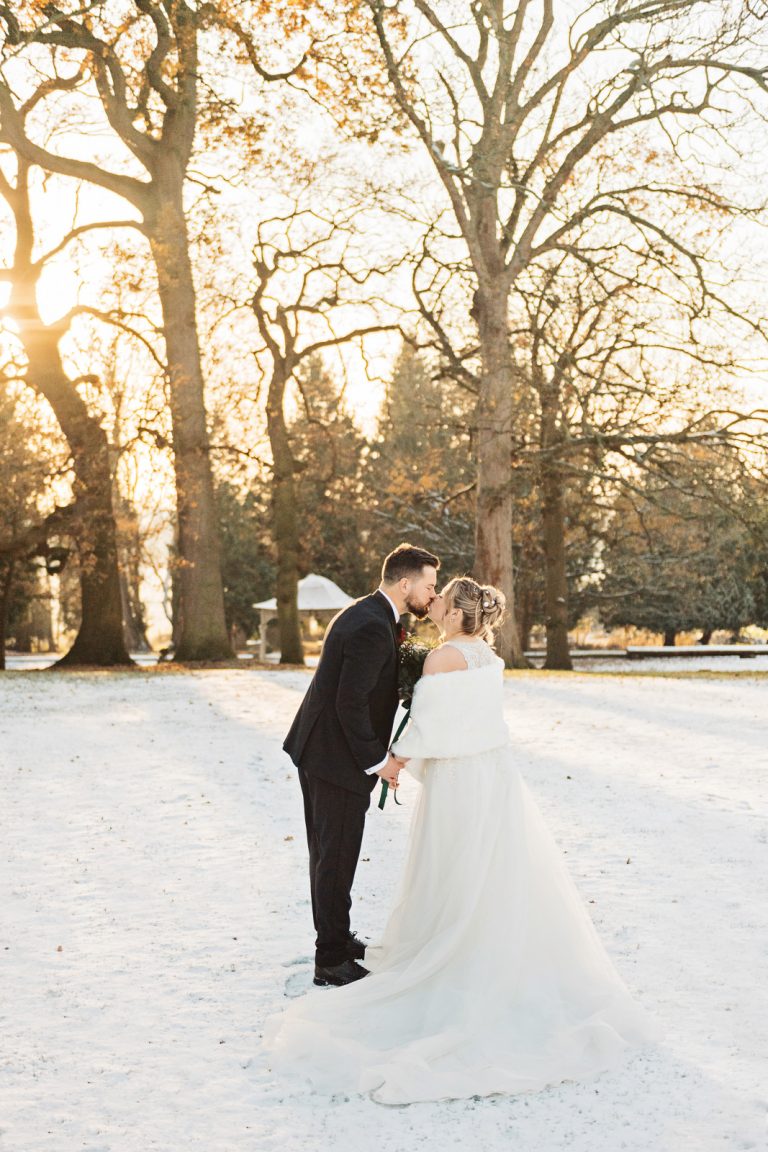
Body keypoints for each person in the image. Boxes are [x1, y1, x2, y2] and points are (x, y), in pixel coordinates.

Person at [266, 576, 658, 1104]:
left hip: (456, 783)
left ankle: (451, 950)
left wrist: (393, 762)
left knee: (452, 866)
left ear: (453, 614)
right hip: (494, 777)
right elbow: (472, 721)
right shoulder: (489, 659)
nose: (434, 603)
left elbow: (430, 726)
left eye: (441, 599)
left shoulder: (441, 658)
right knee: (492, 866)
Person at [283, 543, 439, 988]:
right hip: (336, 759)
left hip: (323, 751)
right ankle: (330, 959)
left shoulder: (369, 614)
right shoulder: (372, 625)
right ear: (405, 583)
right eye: (428, 587)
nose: (431, 596)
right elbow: (350, 704)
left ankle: (335, 937)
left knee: (329, 854)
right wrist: (379, 762)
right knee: (335, 857)